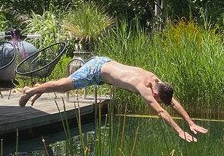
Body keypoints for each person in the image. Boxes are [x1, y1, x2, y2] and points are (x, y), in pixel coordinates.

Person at [18, 56, 209, 142]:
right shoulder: (144, 87)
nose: (157, 101)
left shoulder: (157, 81)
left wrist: (190, 123)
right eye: (158, 99)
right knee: (62, 87)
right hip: (97, 71)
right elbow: (160, 111)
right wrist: (178, 131)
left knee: (61, 84)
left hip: (106, 62)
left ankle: (34, 89)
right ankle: (30, 92)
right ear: (156, 94)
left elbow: (172, 101)